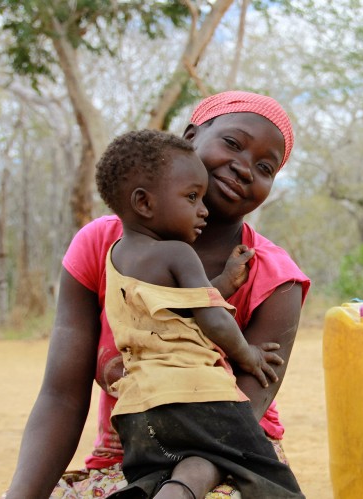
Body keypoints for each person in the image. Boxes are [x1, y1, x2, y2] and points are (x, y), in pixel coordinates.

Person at [5, 91, 310, 499]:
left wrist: (185, 485)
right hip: (132, 451)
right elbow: (61, 394)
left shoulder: (273, 276)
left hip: (233, 456)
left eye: (265, 167)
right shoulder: (100, 246)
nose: (243, 167)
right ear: (190, 136)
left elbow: (243, 416)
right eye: (233, 144)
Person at [95, 128, 305, 498]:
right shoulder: (178, 254)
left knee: (154, 472)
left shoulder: (116, 259)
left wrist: (224, 282)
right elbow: (210, 317)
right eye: (193, 198)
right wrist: (248, 354)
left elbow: (178, 305)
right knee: (268, 476)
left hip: (136, 410)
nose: (203, 209)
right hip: (196, 398)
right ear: (145, 204)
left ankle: (162, 491)